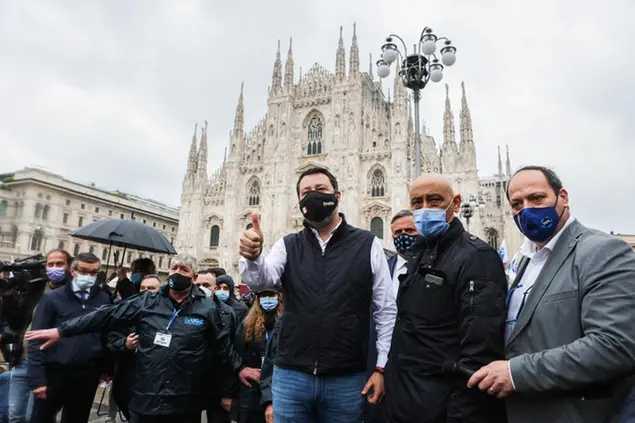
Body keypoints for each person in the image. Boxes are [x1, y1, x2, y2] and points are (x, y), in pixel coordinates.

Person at [468, 166, 635, 423]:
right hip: (522, 411)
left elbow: (614, 346)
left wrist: (515, 373)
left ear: (563, 197)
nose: (526, 209)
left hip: (574, 413)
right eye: (516, 204)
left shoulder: (602, 251)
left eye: (537, 199)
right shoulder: (525, 261)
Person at [239, 167, 397, 423]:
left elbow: (386, 310)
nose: (313, 196)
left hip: (345, 377)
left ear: (338, 194)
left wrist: (381, 368)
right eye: (306, 192)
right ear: (299, 202)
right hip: (291, 375)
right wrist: (253, 256)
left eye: (321, 190)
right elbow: (260, 281)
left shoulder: (368, 244)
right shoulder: (288, 244)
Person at [25, 253, 259, 423]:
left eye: (184, 270)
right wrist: (62, 331)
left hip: (185, 402)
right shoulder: (147, 302)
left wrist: (240, 368)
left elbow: (222, 346)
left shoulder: (207, 309)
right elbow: (104, 317)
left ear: (193, 276)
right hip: (147, 398)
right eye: (174, 268)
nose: (177, 273)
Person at [383, 173, 507, 423]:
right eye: (417, 203)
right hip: (407, 403)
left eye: (435, 200)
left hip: (444, 408)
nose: (425, 209)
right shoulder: (420, 255)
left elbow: (480, 353)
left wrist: (460, 417)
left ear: (456, 204)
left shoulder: (476, 257)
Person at [28, 252, 111, 423]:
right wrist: (37, 379)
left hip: (87, 374)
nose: (88, 276)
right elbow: (36, 339)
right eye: (83, 271)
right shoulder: (52, 299)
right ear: (72, 271)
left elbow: (106, 335)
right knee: (41, 418)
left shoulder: (104, 299)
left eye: (93, 272)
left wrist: (107, 367)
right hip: (54, 373)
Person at [7, 248, 73, 423]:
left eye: (59, 264)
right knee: (14, 415)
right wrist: (7, 296)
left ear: (69, 267)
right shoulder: (36, 288)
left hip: (48, 364)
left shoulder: (72, 294)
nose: (54, 268)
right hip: (22, 359)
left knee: (35, 417)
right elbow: (16, 322)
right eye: (50, 264)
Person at [107, 274, 162, 421]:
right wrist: (124, 344)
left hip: (157, 385)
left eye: (151, 288)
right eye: (143, 288)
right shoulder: (126, 311)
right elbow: (111, 341)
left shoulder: (169, 315)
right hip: (129, 380)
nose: (146, 292)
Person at [195, 269, 239, 423]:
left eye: (206, 285)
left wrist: (229, 392)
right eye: (198, 284)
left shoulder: (228, 313)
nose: (201, 288)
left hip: (218, 387)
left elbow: (233, 352)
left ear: (214, 287)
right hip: (190, 387)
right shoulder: (184, 311)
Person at [234, 288, 283, 423]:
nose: (267, 299)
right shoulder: (247, 324)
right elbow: (236, 352)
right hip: (251, 390)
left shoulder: (286, 323)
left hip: (279, 386)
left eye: (271, 295)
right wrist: (241, 368)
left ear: (278, 297)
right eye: (263, 295)